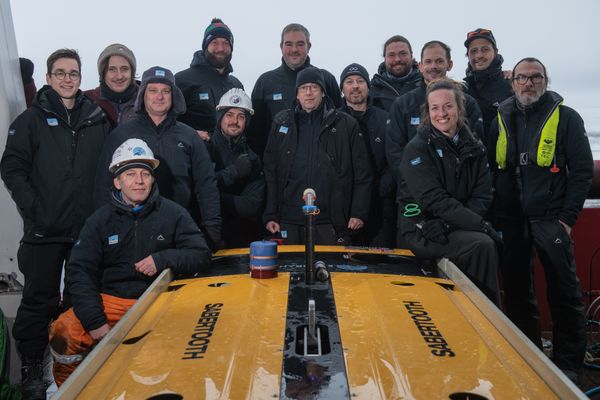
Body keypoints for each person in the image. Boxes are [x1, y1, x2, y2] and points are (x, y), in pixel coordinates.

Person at [49, 139, 211, 386]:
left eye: (145, 174)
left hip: (159, 300)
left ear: (153, 179)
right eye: (131, 174)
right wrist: (96, 322)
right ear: (117, 181)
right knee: (64, 332)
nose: (139, 180)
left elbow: (201, 254)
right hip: (111, 302)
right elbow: (79, 272)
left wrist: (162, 259)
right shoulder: (99, 221)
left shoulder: (173, 213)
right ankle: (73, 391)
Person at [0, 48, 109, 398]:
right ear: (48, 78)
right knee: (38, 302)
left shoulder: (96, 118)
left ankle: (69, 361)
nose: (67, 79)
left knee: (79, 300)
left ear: (81, 78)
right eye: (60, 73)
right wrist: (34, 208)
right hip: (44, 230)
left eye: (73, 73)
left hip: (84, 231)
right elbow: (12, 167)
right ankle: (32, 369)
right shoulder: (31, 120)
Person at [490, 57, 593, 382]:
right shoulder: (501, 118)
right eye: (522, 77)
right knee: (519, 295)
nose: (528, 83)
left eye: (536, 77)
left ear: (545, 81)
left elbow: (582, 170)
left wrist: (568, 217)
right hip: (511, 221)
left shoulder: (568, 118)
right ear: (513, 82)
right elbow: (493, 170)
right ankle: (529, 356)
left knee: (564, 292)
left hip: (551, 219)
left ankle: (569, 364)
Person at [95, 66, 222, 249]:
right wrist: (106, 229)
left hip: (179, 229)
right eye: (153, 90)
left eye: (166, 91)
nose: (159, 97)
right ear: (143, 95)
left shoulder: (189, 136)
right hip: (132, 230)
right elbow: (103, 185)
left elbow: (207, 185)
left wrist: (212, 227)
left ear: (174, 96)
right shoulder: (121, 135)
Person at [397, 79, 500, 304]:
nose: (441, 113)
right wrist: (480, 225)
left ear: (459, 108)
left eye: (448, 106)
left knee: (486, 243)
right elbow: (433, 199)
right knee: (481, 244)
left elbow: (482, 196)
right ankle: (486, 315)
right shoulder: (417, 148)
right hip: (422, 228)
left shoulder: (475, 147)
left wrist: (450, 224)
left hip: (451, 227)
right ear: (428, 112)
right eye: (435, 108)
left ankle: (484, 314)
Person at [263, 67, 372, 245]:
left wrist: (358, 213)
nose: (308, 93)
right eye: (303, 88)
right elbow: (270, 171)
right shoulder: (281, 122)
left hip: (330, 220)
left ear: (322, 92)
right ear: (297, 94)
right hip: (289, 219)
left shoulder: (345, 124)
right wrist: (270, 214)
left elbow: (363, 173)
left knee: (329, 271)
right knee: (290, 270)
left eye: (314, 87)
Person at [248, 23, 342, 157]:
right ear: (281, 46)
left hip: (320, 165)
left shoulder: (326, 79)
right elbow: (255, 132)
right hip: (278, 166)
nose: (294, 49)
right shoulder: (265, 82)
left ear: (309, 46)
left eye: (300, 44)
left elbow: (340, 124)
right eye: (288, 44)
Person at [338, 63, 395, 247]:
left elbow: (395, 160)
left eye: (360, 81)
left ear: (368, 87)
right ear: (342, 89)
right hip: (344, 207)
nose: (355, 86)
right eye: (349, 81)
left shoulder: (386, 119)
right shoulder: (333, 121)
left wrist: (379, 189)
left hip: (381, 203)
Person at [207, 88, 265, 247]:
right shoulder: (204, 149)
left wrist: (215, 196)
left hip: (242, 240)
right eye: (229, 115)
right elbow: (195, 193)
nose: (234, 121)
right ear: (220, 118)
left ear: (247, 122)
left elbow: (251, 206)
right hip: (207, 239)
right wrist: (233, 173)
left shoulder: (252, 158)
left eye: (241, 116)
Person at [176, 18, 243, 140]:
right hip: (194, 155)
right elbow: (166, 122)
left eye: (226, 43)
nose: (221, 48)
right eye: (215, 43)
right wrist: (190, 135)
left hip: (231, 155)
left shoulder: (236, 85)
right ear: (205, 46)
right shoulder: (182, 80)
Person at [463, 28, 512, 145]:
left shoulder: (511, 83)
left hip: (504, 159)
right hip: (473, 159)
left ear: (495, 52)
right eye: (473, 51)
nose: (479, 55)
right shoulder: (463, 89)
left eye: (485, 50)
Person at [84, 43, 139, 128]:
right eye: (112, 69)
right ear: (103, 73)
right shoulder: (86, 100)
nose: (119, 76)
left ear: (132, 72)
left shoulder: (148, 100)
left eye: (124, 69)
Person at [371, 35, 422, 111]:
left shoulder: (426, 83)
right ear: (385, 58)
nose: (397, 59)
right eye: (391, 55)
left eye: (403, 53)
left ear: (411, 55)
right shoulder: (373, 88)